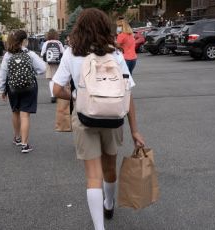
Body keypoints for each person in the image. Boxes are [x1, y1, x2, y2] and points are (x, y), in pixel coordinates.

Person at [52, 8, 145, 230]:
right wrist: (135, 131)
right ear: (105, 28)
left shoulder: (71, 53)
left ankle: (99, 228)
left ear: (80, 28)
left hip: (85, 118)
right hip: (113, 117)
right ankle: (109, 202)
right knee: (109, 168)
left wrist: (75, 94)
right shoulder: (115, 55)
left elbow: (56, 89)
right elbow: (128, 94)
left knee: (93, 175)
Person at [0, 30, 46, 153]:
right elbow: (42, 68)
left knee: (15, 112)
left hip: (12, 87)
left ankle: (17, 138)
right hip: (29, 87)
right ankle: (25, 144)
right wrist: (32, 72)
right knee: (25, 115)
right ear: (24, 41)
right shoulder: (30, 54)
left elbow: (3, 73)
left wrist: (2, 90)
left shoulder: (7, 56)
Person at [40, 29, 65, 103]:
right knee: (58, 79)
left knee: (51, 80)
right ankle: (58, 94)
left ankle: (52, 95)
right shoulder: (59, 43)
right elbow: (62, 52)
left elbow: (42, 54)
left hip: (49, 63)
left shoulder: (46, 43)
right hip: (58, 63)